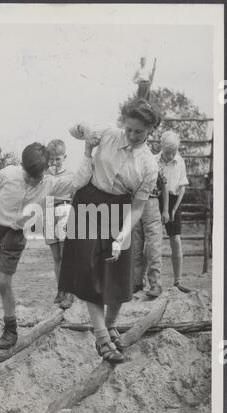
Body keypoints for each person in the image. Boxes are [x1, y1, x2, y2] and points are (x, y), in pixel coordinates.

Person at [0, 142, 93, 349]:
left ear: (46, 171)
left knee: (3, 282)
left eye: (38, 177)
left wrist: (88, 153)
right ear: (22, 166)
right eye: (28, 175)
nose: (32, 181)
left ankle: (11, 329)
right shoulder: (8, 174)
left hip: (17, 232)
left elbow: (79, 180)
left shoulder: (51, 184)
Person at [59, 98, 161, 364]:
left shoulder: (149, 165)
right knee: (88, 271)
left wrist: (122, 235)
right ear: (123, 123)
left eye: (139, 131)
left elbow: (138, 207)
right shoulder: (107, 133)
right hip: (88, 202)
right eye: (129, 128)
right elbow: (74, 131)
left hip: (120, 211)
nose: (132, 135)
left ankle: (111, 324)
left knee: (118, 274)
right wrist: (84, 129)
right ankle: (102, 337)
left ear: (150, 130)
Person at [156, 130, 191, 293]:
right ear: (161, 147)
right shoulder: (154, 161)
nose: (170, 156)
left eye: (173, 153)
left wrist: (173, 210)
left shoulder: (180, 161)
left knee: (175, 239)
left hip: (174, 201)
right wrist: (162, 209)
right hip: (156, 200)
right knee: (152, 241)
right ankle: (146, 281)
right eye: (167, 152)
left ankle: (178, 281)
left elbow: (182, 187)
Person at [45, 139, 74, 309]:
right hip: (48, 211)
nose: (54, 162)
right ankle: (61, 289)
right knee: (56, 256)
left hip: (64, 210)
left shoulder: (70, 175)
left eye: (58, 159)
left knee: (66, 255)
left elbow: (75, 194)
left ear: (65, 157)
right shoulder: (45, 175)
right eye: (51, 159)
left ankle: (69, 292)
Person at [133, 161, 169, 297]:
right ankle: (136, 283)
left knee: (153, 245)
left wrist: (165, 209)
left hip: (151, 202)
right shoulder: (128, 162)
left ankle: (155, 284)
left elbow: (164, 186)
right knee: (135, 247)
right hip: (134, 204)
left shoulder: (153, 162)